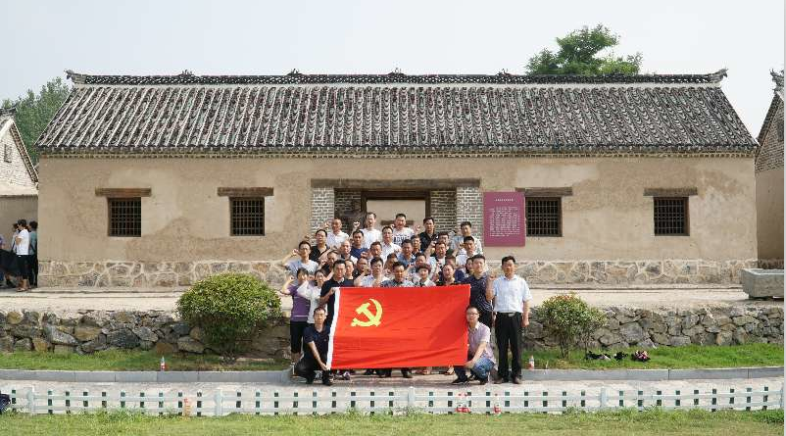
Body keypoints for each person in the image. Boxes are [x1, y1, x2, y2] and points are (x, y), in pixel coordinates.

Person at [492, 256, 532, 384]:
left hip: (516, 317)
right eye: (506, 265)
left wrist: (525, 318)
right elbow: (492, 299)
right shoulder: (497, 282)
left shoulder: (521, 282)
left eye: (510, 264)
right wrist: (494, 315)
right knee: (502, 347)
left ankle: (517, 375)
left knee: (516, 347)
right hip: (501, 317)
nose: (508, 267)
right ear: (502, 267)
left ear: (515, 266)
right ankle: (502, 375)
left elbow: (526, 301)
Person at [319, 260, 353, 380]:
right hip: (331, 320)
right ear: (333, 269)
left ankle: (344, 370)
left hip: (346, 321)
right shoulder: (327, 284)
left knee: (345, 346)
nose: (339, 271)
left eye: (342, 269)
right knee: (331, 345)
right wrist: (329, 293)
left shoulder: (349, 283)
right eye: (337, 269)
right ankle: (332, 371)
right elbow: (321, 302)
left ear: (345, 270)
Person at [380, 262, 413, 378]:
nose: (399, 273)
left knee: (405, 345)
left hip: (405, 320)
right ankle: (387, 370)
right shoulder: (385, 285)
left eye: (401, 271)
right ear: (393, 272)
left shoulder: (411, 286)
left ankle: (406, 369)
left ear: (404, 272)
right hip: (390, 319)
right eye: (397, 271)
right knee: (389, 345)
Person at [452, 306, 497, 385]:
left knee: (475, 365)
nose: (471, 316)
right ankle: (462, 378)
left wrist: (473, 361)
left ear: (478, 315)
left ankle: (484, 376)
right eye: (468, 314)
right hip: (472, 355)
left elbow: (482, 346)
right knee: (455, 356)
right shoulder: (464, 329)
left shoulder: (485, 329)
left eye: (473, 313)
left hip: (486, 358)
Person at [278, 268, 312, 367]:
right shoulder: (294, 288)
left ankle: (305, 366)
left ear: (307, 276)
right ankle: (296, 366)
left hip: (308, 322)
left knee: (307, 345)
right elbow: (282, 290)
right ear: (297, 277)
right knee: (295, 344)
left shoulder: (311, 289)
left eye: (304, 275)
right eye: (300, 275)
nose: (302, 277)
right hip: (295, 321)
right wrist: (289, 281)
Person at [294, 307, 333, 386]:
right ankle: (310, 376)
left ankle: (326, 378)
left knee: (327, 358)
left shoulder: (330, 330)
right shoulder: (308, 330)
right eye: (317, 315)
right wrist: (321, 363)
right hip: (310, 358)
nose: (319, 317)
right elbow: (313, 348)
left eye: (321, 315)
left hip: (324, 358)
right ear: (313, 317)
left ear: (325, 317)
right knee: (298, 369)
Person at [461, 255, 494, 328]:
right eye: (476, 263)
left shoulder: (489, 279)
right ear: (472, 265)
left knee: (485, 334)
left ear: (484, 264)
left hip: (485, 313)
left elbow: (489, 298)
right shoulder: (466, 281)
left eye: (480, 263)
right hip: (471, 314)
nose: (478, 265)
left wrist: (489, 283)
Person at [14, 219, 31, 292]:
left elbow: (17, 242)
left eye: (18, 224)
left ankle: (24, 286)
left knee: (22, 270)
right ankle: (26, 285)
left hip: (21, 253)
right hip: (22, 253)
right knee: (23, 269)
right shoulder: (25, 232)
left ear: (20, 225)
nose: (17, 226)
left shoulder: (23, 232)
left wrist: (15, 236)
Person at [28, 221, 38, 288]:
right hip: (36, 253)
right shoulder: (37, 234)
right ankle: (36, 282)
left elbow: (28, 244)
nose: (28, 226)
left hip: (30, 253)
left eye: (29, 225)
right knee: (35, 269)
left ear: (31, 226)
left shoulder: (30, 234)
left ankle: (31, 283)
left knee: (29, 269)